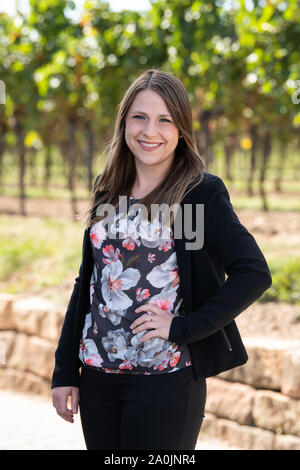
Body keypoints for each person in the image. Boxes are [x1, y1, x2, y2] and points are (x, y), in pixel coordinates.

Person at [51, 68, 272, 450]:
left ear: (181, 129)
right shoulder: (108, 191)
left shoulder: (198, 195)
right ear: (124, 123)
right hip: (98, 376)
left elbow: (252, 272)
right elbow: (88, 283)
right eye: (140, 117)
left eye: (164, 120)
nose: (149, 131)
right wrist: (65, 368)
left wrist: (185, 327)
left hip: (166, 379)